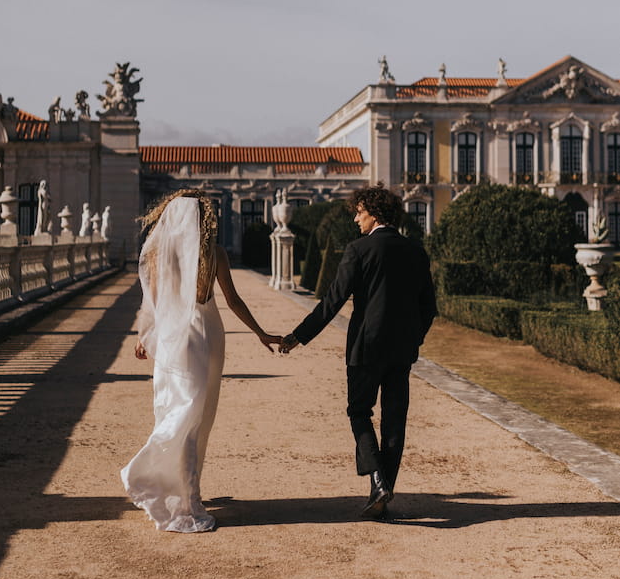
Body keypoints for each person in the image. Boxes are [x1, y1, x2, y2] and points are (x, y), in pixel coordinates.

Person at [121, 189, 281, 533]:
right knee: (200, 415)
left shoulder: (159, 255)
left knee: (174, 407)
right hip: (206, 332)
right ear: (203, 221)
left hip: (171, 337)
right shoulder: (215, 254)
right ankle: (188, 494)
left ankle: (180, 489)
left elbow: (151, 300)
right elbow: (233, 300)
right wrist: (261, 333)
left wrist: (142, 335)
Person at [280, 183, 437, 520]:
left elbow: (332, 302)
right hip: (401, 352)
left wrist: (298, 336)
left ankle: (378, 481)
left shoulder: (359, 249)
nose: (355, 219)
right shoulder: (415, 251)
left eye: (359, 212)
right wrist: (414, 339)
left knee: (359, 412)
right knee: (395, 423)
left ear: (374, 213)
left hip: (366, 348)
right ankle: (383, 491)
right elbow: (429, 308)